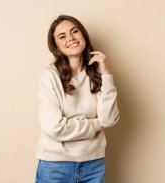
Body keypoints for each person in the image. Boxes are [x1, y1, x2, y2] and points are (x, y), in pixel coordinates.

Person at [35, 15, 120, 183]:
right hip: (55, 166)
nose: (71, 38)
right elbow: (54, 127)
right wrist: (97, 124)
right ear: (56, 46)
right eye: (62, 36)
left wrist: (107, 75)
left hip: (94, 165)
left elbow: (109, 120)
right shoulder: (50, 76)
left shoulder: (98, 74)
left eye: (75, 32)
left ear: (83, 36)